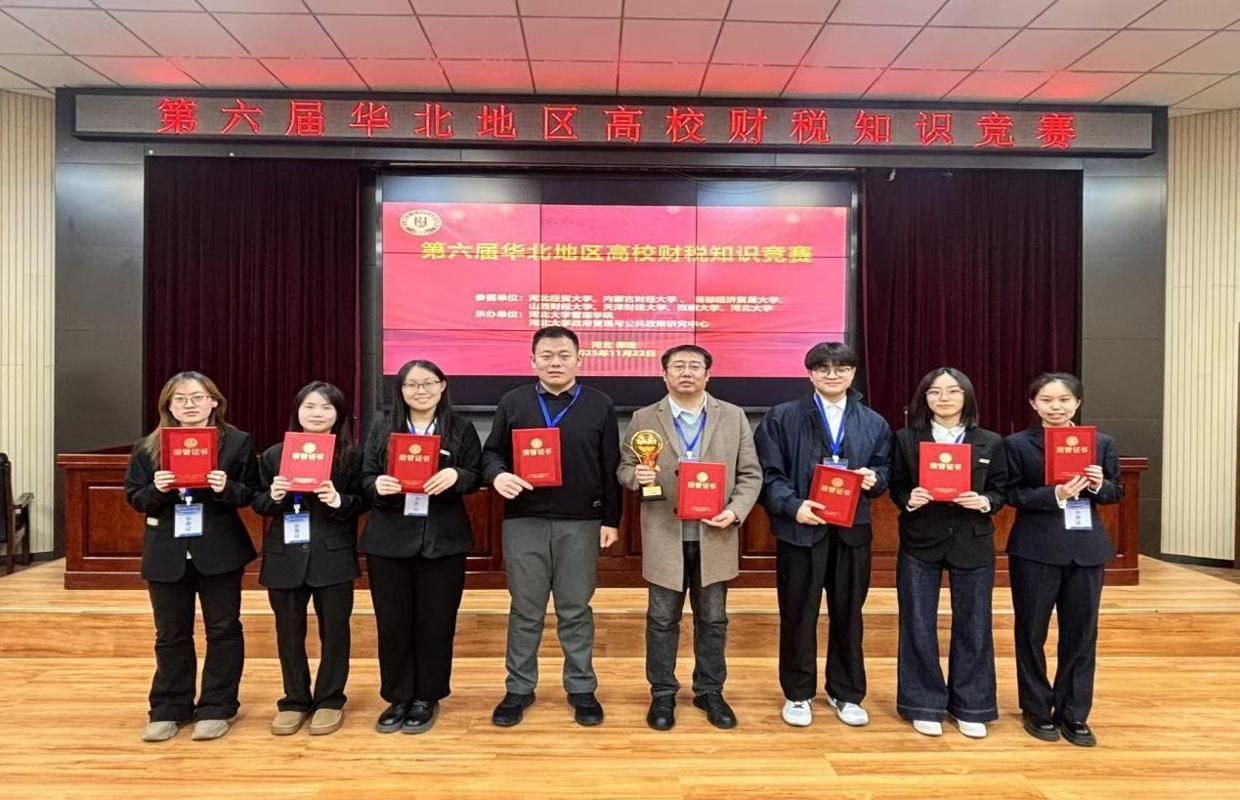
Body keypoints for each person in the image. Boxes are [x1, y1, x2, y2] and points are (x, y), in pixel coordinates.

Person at [617, 344, 762, 731]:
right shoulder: (644, 417)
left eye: (694, 366)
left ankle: (710, 691)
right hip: (664, 533)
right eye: (678, 366)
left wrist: (736, 511)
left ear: (707, 375)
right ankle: (662, 692)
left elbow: (751, 474)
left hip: (715, 533)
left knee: (713, 619)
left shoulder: (732, 416)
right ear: (664, 374)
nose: (686, 372)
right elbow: (625, 467)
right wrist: (635, 477)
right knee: (661, 619)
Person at [482, 326, 621, 728]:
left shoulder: (599, 403)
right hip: (524, 520)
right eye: (546, 355)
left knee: (575, 609)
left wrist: (611, 520)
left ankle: (581, 687)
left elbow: (610, 465)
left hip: (581, 522)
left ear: (579, 359)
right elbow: (491, 453)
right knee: (525, 610)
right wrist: (497, 475)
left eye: (563, 355)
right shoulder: (513, 401)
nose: (555, 362)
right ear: (533, 361)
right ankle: (518, 688)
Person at [754, 341, 891, 729]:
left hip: (852, 532)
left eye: (841, 368)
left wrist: (875, 478)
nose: (832, 375)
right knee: (798, 614)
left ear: (853, 373)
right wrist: (793, 505)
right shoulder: (782, 417)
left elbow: (886, 469)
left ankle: (846, 692)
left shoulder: (874, 422)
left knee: (849, 614)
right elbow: (768, 474)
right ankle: (797, 693)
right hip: (800, 530)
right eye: (823, 368)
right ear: (810, 374)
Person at [125, 371, 259, 742]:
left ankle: (218, 706)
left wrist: (225, 487)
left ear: (214, 401)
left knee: (223, 629)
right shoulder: (148, 446)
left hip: (219, 550)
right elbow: (135, 498)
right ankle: (169, 707)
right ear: (168, 406)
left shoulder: (237, 442)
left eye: (197, 397)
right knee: (170, 633)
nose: (189, 405)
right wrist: (157, 489)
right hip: (166, 551)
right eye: (180, 399)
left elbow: (250, 493)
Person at [360, 360, 482, 735]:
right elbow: (364, 476)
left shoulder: (460, 428)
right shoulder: (383, 427)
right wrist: (376, 484)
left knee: (436, 623)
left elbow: (476, 475)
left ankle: (427, 696)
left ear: (442, 386)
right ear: (400, 391)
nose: (421, 391)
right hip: (389, 540)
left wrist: (456, 474)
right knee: (393, 623)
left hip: (442, 541)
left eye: (428, 383)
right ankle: (398, 696)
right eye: (412, 385)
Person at [1005, 372, 1122, 747]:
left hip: (1086, 549)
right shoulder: (1017, 444)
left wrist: (1098, 484)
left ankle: (1074, 713)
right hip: (1035, 548)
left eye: (1064, 400)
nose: (1056, 407)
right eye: (1047, 400)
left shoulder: (1100, 443)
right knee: (1031, 632)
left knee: (1082, 634)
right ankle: (1037, 709)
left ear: (1077, 403)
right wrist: (1054, 494)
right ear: (1033, 404)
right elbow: (1012, 494)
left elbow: (1115, 492)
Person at [888, 368, 1006, 739]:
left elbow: (1001, 490)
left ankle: (972, 706)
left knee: (974, 624)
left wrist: (985, 501)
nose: (944, 398)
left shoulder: (990, 441)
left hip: (972, 541)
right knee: (917, 623)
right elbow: (897, 485)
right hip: (921, 540)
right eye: (935, 392)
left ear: (966, 396)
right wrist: (910, 498)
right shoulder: (906, 439)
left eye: (953, 391)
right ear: (924, 398)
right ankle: (923, 704)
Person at [253, 381, 364, 737]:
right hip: (285, 555)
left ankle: (330, 698)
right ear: (297, 412)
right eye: (310, 406)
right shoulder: (275, 455)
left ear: (339, 414)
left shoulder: (351, 456)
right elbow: (257, 503)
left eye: (327, 407)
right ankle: (294, 700)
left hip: (333, 556)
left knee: (335, 632)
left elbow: (363, 502)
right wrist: (274, 495)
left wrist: (338, 500)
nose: (317, 414)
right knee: (288, 633)